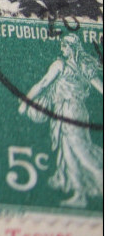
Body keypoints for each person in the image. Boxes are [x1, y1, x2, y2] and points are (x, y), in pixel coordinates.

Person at [19, 34, 103, 209]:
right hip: (73, 111)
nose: (62, 50)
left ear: (71, 48)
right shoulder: (84, 66)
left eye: (64, 47)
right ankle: (80, 194)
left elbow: (42, 84)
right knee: (68, 153)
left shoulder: (61, 65)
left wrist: (26, 102)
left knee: (81, 151)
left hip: (70, 111)